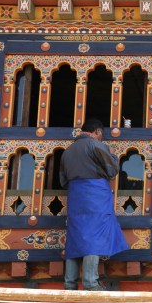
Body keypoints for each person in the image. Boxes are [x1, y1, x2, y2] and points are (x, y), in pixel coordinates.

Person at [60, 119, 129, 291]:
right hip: (95, 194)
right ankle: (90, 282)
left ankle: (70, 283)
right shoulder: (95, 145)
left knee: (76, 235)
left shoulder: (67, 151)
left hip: (75, 195)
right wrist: (112, 154)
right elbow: (112, 170)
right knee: (94, 235)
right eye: (101, 135)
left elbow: (62, 180)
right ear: (97, 132)